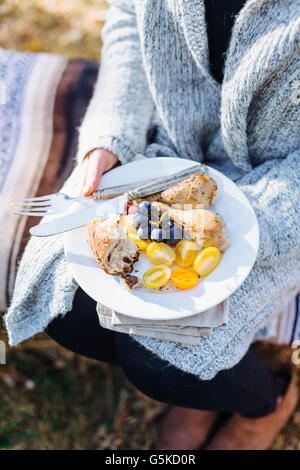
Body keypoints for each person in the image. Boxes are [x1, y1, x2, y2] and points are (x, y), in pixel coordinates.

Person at [5, 0, 300, 450]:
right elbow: (130, 22)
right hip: (158, 161)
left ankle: (266, 405)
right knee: (66, 309)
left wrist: (249, 223)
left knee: (166, 364)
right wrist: (110, 136)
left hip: (279, 200)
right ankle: (201, 393)